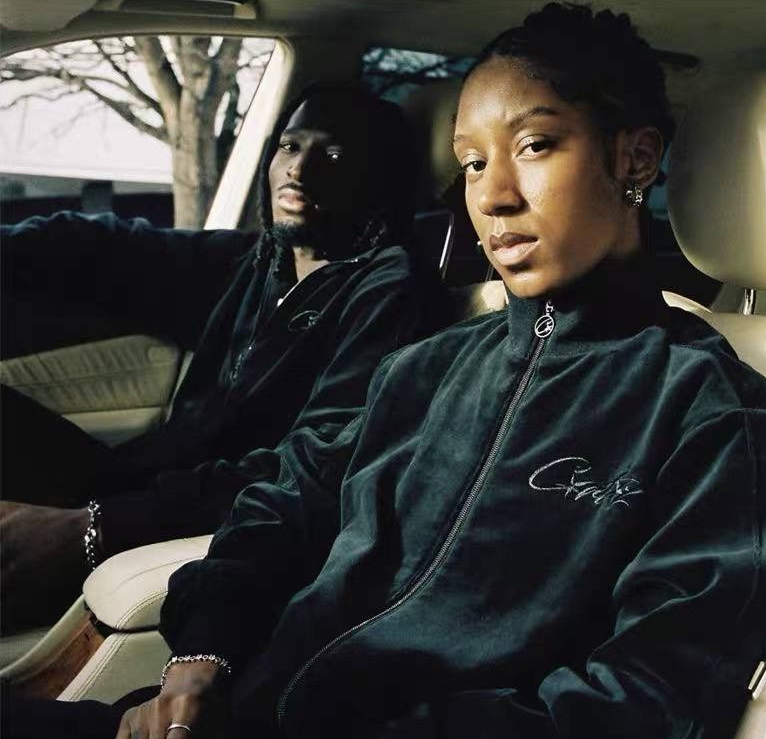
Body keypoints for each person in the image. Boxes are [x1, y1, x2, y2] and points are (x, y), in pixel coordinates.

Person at [1, 4, 766, 739]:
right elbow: (285, 505)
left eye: (535, 146)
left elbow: (642, 712)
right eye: (472, 163)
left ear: (635, 158)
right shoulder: (426, 370)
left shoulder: (715, 416)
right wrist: (203, 657)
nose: (493, 195)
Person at [0, 81, 452, 633]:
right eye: (290, 146)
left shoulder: (392, 292)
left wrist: (96, 526)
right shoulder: (260, 262)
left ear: (377, 176)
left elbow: (312, 468)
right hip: (144, 485)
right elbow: (97, 247)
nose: (299, 169)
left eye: (333, 154)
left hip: (212, 524)